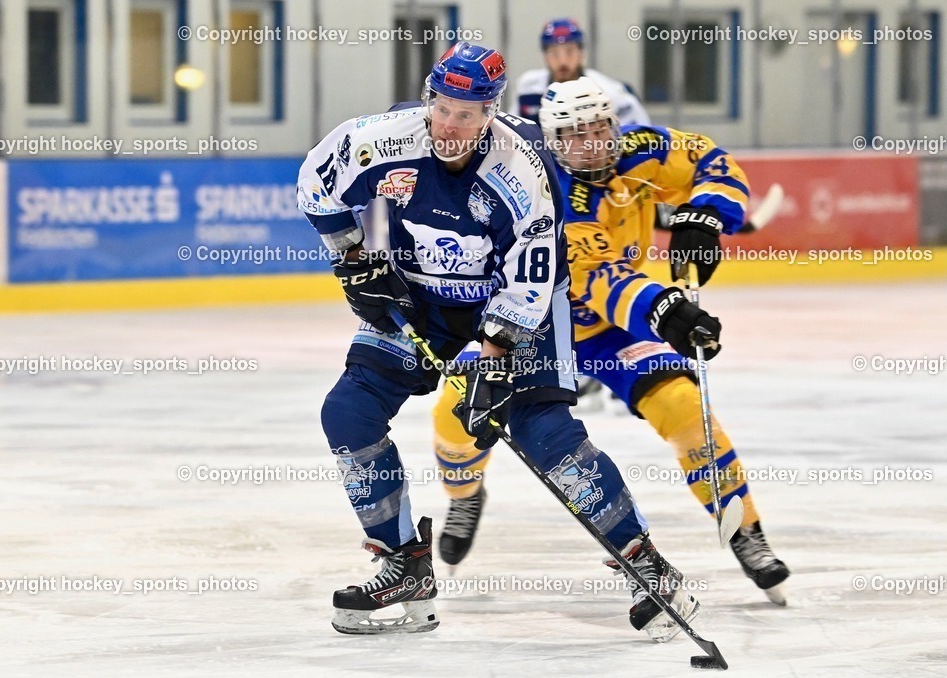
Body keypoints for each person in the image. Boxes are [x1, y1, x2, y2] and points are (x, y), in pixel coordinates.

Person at [298, 43, 701, 640]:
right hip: (424, 298)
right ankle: (402, 562)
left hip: (521, 305)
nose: (449, 125)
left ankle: (648, 566)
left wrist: (494, 360)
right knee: (348, 412)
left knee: (547, 435)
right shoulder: (382, 138)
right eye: (441, 107)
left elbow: (531, 276)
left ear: (491, 112)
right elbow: (316, 184)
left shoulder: (521, 169)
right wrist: (353, 258)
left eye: (466, 113)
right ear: (429, 98)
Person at [431, 76, 791, 605]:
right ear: (554, 142)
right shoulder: (544, 188)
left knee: (688, 409)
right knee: (456, 415)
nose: (592, 143)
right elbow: (601, 280)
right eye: (575, 135)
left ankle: (745, 531)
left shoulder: (641, 149)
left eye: (599, 128)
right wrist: (667, 311)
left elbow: (712, 161)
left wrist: (706, 215)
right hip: (525, 324)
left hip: (608, 332)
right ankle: (464, 494)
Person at [512, 18, 650, 127]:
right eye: (554, 52)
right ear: (545, 57)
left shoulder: (609, 91)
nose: (562, 61)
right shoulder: (528, 88)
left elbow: (641, 134)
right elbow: (511, 134)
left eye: (570, 51)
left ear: (581, 53)